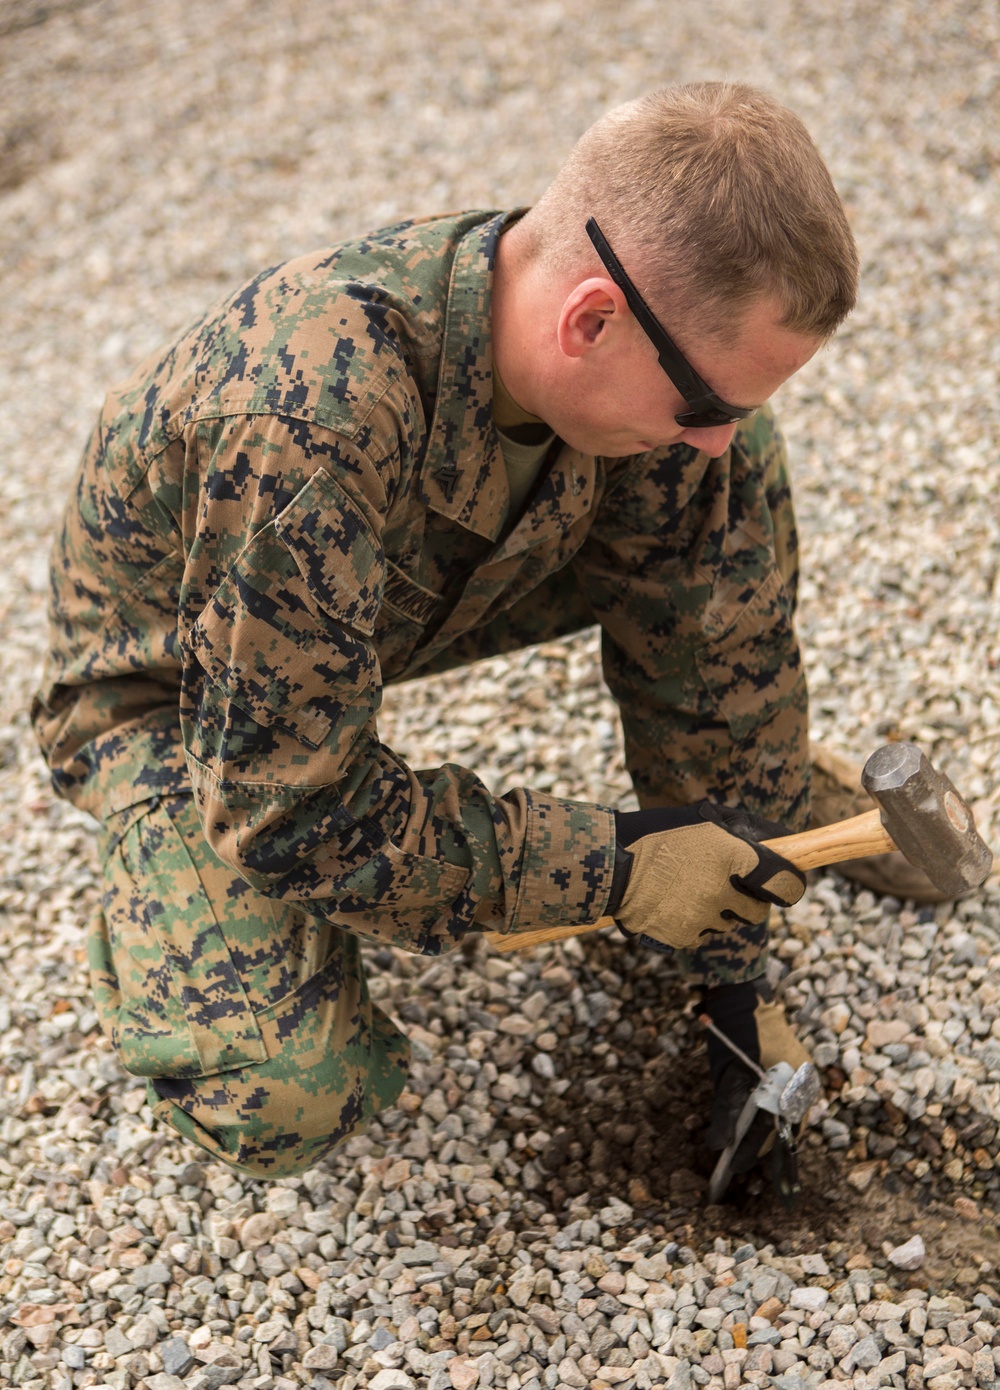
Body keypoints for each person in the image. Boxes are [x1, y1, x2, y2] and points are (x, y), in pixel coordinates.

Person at [33, 81, 860, 1184]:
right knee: (283, 1091)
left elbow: (721, 664)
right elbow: (292, 810)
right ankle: (155, 895)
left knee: (722, 494)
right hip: (184, 692)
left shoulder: (630, 383)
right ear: (593, 319)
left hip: (374, 601)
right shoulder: (308, 422)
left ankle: (778, 805)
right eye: (705, 405)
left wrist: (732, 975)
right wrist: (610, 867)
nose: (715, 440)